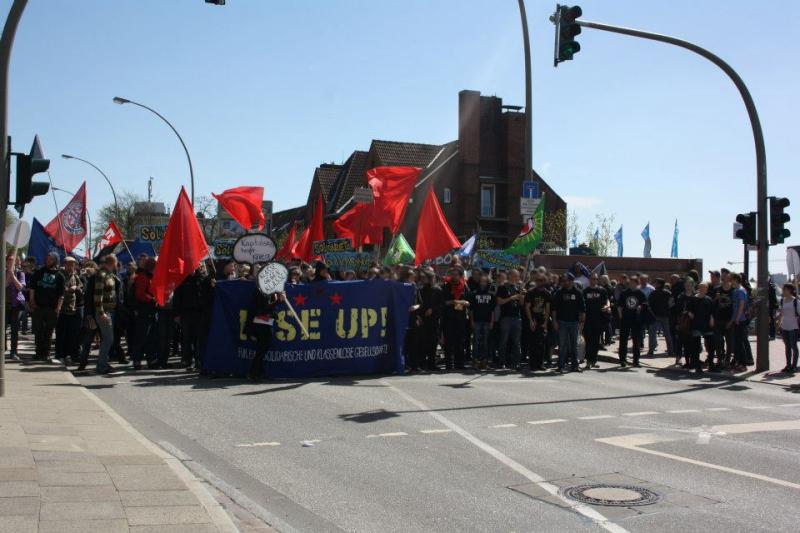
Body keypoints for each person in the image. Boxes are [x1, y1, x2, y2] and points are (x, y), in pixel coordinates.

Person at [28, 252, 65, 362]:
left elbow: (61, 295)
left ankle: (46, 354)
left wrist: (58, 308)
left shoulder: (60, 276)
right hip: (38, 307)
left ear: (55, 261)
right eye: (47, 259)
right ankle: (38, 353)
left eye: (51, 259)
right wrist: (31, 301)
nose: (48, 261)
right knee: (38, 331)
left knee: (48, 332)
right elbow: (32, 288)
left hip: (52, 308)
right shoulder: (38, 272)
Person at [245, 285, 284, 380]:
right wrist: (278, 300)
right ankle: (253, 372)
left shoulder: (270, 291)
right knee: (262, 349)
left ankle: (259, 372)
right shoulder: (261, 291)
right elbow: (264, 309)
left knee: (262, 348)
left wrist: (278, 297)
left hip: (267, 322)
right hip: (261, 323)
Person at [173, 266, 206, 371]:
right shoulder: (182, 279)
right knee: (187, 338)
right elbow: (177, 297)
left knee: (198, 338)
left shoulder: (201, 279)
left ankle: (199, 360)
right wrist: (177, 314)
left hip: (199, 312)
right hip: (186, 313)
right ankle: (188, 360)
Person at [551, 273, 586, 373]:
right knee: (562, 345)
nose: (564, 282)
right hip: (562, 322)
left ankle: (575, 366)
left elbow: (583, 309)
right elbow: (554, 309)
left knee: (574, 345)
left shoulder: (578, 292)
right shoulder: (559, 292)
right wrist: (554, 321)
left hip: (574, 322)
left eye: (566, 280)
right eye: (563, 281)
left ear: (571, 281)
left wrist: (582, 322)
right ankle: (560, 366)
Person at [54, 257, 84, 366]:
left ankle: (69, 355)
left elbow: (81, 286)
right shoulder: (60, 275)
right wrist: (69, 289)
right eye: (70, 264)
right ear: (65, 264)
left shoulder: (75, 276)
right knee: (61, 334)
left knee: (72, 335)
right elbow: (60, 290)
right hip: (62, 309)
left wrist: (77, 287)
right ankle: (59, 355)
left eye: (73, 264)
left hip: (73, 309)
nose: (72, 266)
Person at [93, 255, 119, 374]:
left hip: (110, 311)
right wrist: (101, 312)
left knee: (108, 339)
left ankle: (103, 363)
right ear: (112, 262)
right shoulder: (102, 275)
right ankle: (101, 366)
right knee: (108, 339)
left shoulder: (109, 275)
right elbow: (98, 296)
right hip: (104, 312)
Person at [441, 267, 470, 370]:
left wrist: (464, 303)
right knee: (449, 342)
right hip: (448, 318)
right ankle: (449, 364)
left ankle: (460, 364)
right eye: (452, 274)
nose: (454, 276)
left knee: (460, 341)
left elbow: (469, 301)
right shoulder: (445, 286)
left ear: (460, 276)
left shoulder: (464, 286)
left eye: (456, 274)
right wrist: (453, 301)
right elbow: (443, 302)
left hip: (460, 317)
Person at [131, 257, 158, 370]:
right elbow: (140, 294)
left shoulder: (150, 277)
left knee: (150, 337)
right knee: (141, 337)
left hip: (150, 310)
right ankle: (137, 360)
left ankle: (150, 359)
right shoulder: (142, 277)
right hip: (144, 310)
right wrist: (152, 299)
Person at [496, 269, 524, 370]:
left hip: (517, 317)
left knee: (516, 342)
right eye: (516, 276)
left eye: (519, 276)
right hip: (506, 317)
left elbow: (521, 304)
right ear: (511, 276)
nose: (518, 278)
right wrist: (512, 297)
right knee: (504, 341)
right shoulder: (502, 287)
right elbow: (499, 302)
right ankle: (502, 362)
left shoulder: (518, 287)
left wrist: (521, 296)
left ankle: (516, 362)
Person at [683, 281, 714, 374]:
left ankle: (711, 364)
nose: (702, 289)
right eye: (701, 287)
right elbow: (686, 309)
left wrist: (712, 319)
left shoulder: (708, 299)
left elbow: (712, 311)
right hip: (696, 325)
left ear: (707, 289)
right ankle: (697, 366)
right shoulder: (693, 299)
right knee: (696, 347)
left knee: (711, 345)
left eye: (704, 288)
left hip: (707, 326)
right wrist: (689, 313)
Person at [617, 275, 646, 367]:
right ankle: (622, 360)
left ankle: (636, 360)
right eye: (631, 283)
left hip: (636, 320)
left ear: (637, 284)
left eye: (634, 283)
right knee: (623, 340)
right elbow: (619, 306)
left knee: (636, 340)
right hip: (625, 319)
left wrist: (640, 307)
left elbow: (645, 304)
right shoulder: (624, 293)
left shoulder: (640, 294)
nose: (632, 284)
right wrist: (621, 316)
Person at [524, 274, 551, 371]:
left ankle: (540, 364)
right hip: (533, 319)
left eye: (542, 280)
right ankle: (533, 364)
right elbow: (527, 307)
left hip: (542, 320)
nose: (541, 282)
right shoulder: (531, 292)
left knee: (542, 343)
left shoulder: (547, 293)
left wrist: (546, 323)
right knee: (533, 343)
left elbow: (548, 308)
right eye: (539, 280)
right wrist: (531, 321)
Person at [418, 269, 443, 371]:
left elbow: (442, 305)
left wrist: (433, 310)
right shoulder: (421, 290)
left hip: (434, 320)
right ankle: (423, 363)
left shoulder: (437, 290)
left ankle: (431, 364)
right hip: (423, 320)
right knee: (423, 342)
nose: (422, 280)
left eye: (424, 278)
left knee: (433, 342)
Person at [582, 273, 608, 370]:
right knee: (588, 341)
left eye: (596, 279)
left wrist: (607, 306)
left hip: (599, 320)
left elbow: (606, 301)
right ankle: (588, 361)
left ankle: (594, 360)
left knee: (596, 342)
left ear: (597, 280)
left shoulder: (602, 290)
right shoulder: (585, 291)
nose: (594, 280)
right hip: (587, 320)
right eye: (592, 279)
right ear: (589, 280)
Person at [469, 272, 495, 371]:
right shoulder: (474, 293)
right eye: (481, 281)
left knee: (485, 342)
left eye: (485, 281)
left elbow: (492, 310)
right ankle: (475, 362)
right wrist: (471, 321)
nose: (483, 283)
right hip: (476, 320)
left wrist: (492, 321)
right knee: (476, 342)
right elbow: (471, 309)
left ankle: (484, 362)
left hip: (487, 321)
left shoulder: (491, 294)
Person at [5, 254, 25, 360]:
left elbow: (20, 287)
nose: (11, 262)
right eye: (9, 260)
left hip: (16, 305)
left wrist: (12, 275)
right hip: (4, 305)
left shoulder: (20, 273)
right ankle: (3, 348)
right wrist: (8, 274)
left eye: (13, 261)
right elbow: (4, 285)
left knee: (14, 329)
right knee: (2, 329)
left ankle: (13, 351)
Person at [729, 273, 750, 371]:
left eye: (731, 279)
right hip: (736, 319)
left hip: (740, 320)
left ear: (736, 280)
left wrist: (737, 318)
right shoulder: (736, 291)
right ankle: (738, 362)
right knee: (737, 343)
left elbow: (741, 305)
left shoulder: (741, 291)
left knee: (740, 342)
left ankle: (743, 363)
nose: (730, 282)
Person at [648, 278, 673, 357]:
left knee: (652, 334)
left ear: (659, 284)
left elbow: (649, 304)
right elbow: (671, 304)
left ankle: (651, 350)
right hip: (665, 316)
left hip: (654, 315)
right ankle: (670, 350)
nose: (655, 284)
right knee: (667, 334)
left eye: (656, 283)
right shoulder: (668, 293)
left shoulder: (653, 293)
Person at [777, 283, 799, 373]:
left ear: (790, 290)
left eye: (784, 289)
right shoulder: (782, 300)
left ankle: (794, 366)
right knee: (787, 347)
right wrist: (779, 323)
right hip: (784, 326)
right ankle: (788, 365)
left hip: (793, 326)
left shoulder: (796, 301)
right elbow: (781, 313)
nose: (783, 291)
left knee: (794, 346)